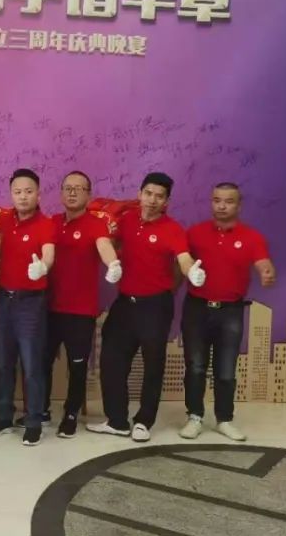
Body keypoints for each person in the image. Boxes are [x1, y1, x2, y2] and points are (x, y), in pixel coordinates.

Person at [88, 172, 206, 443]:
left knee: (153, 364)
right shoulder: (126, 221)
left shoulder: (172, 229)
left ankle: (143, 421)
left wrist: (192, 272)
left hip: (155, 306)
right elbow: (106, 241)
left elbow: (184, 258)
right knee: (111, 361)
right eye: (149, 194)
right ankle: (117, 420)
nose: (152, 200)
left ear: (166, 201)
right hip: (125, 303)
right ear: (140, 194)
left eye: (159, 196)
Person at [179, 183, 275, 442]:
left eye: (228, 201)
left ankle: (224, 419)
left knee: (226, 369)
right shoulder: (195, 233)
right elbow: (181, 263)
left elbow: (262, 262)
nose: (221, 206)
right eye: (216, 200)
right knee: (195, 366)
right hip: (197, 308)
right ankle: (194, 417)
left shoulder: (252, 237)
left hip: (230, 311)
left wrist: (266, 272)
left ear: (239, 205)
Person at [44, 171, 121, 439]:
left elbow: (104, 246)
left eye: (79, 188)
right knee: (41, 362)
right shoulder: (52, 223)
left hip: (80, 312)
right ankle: (41, 410)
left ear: (88, 194)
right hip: (49, 308)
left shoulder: (95, 224)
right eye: (68, 188)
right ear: (61, 193)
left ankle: (71, 414)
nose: (72, 192)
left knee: (77, 366)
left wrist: (113, 264)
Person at [0, 169, 56, 446]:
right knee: (3, 362)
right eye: (17, 192)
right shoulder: (3, 221)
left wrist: (43, 267)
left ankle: (33, 421)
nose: (23, 196)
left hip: (31, 303)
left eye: (28, 191)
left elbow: (49, 254)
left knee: (32, 364)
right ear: (11, 195)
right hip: (4, 300)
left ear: (38, 194)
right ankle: (3, 416)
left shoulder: (46, 224)